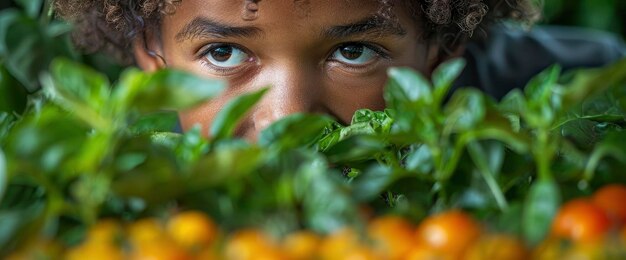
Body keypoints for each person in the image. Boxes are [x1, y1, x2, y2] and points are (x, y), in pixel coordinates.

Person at [53, 0, 625, 140]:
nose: (286, 122)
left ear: (443, 51)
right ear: (151, 58)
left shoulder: (594, 87)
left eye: (354, 51)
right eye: (224, 53)